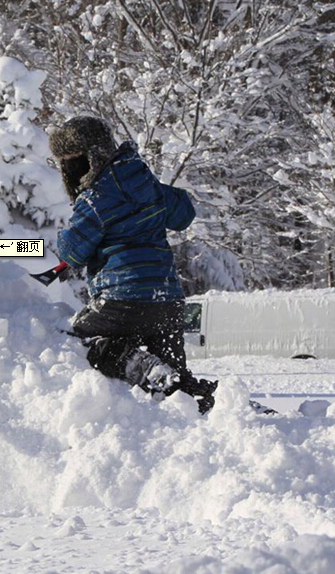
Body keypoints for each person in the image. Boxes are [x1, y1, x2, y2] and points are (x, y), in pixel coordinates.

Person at [50, 115, 217, 413]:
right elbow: (185, 214)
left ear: (92, 155)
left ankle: (142, 367)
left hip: (122, 301)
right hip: (167, 300)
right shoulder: (146, 183)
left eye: (73, 160)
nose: (70, 170)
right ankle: (211, 404)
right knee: (174, 380)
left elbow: (71, 251)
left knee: (75, 345)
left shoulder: (95, 199)